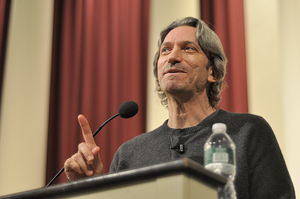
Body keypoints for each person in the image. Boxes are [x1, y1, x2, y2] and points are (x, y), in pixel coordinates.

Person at [64, 17, 295, 198]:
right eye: (165, 50)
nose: (172, 57)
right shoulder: (129, 155)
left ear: (212, 72)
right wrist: (91, 188)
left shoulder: (248, 132)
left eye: (188, 48)